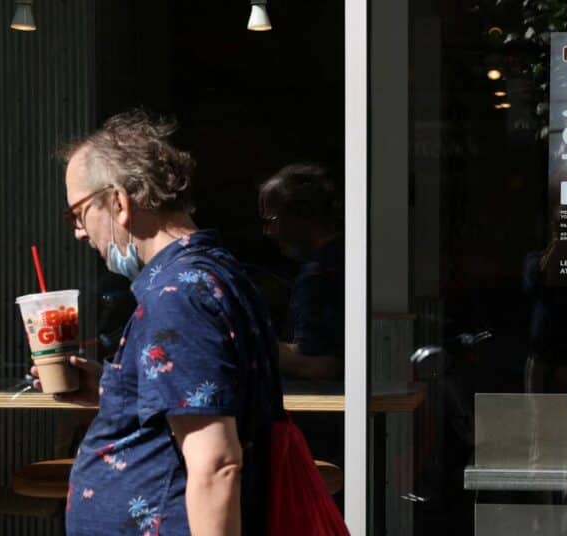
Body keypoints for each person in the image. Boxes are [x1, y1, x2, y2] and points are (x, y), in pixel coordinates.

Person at [34, 110, 282, 535]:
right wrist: (118, 391)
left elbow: (217, 464)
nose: (78, 232)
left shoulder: (177, 296)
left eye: (77, 213)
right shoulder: (210, 273)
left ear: (118, 202)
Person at [258, 163, 344, 381]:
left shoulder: (319, 276)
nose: (268, 232)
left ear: (302, 216)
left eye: (272, 221)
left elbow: (322, 365)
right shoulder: (346, 259)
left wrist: (250, 343)